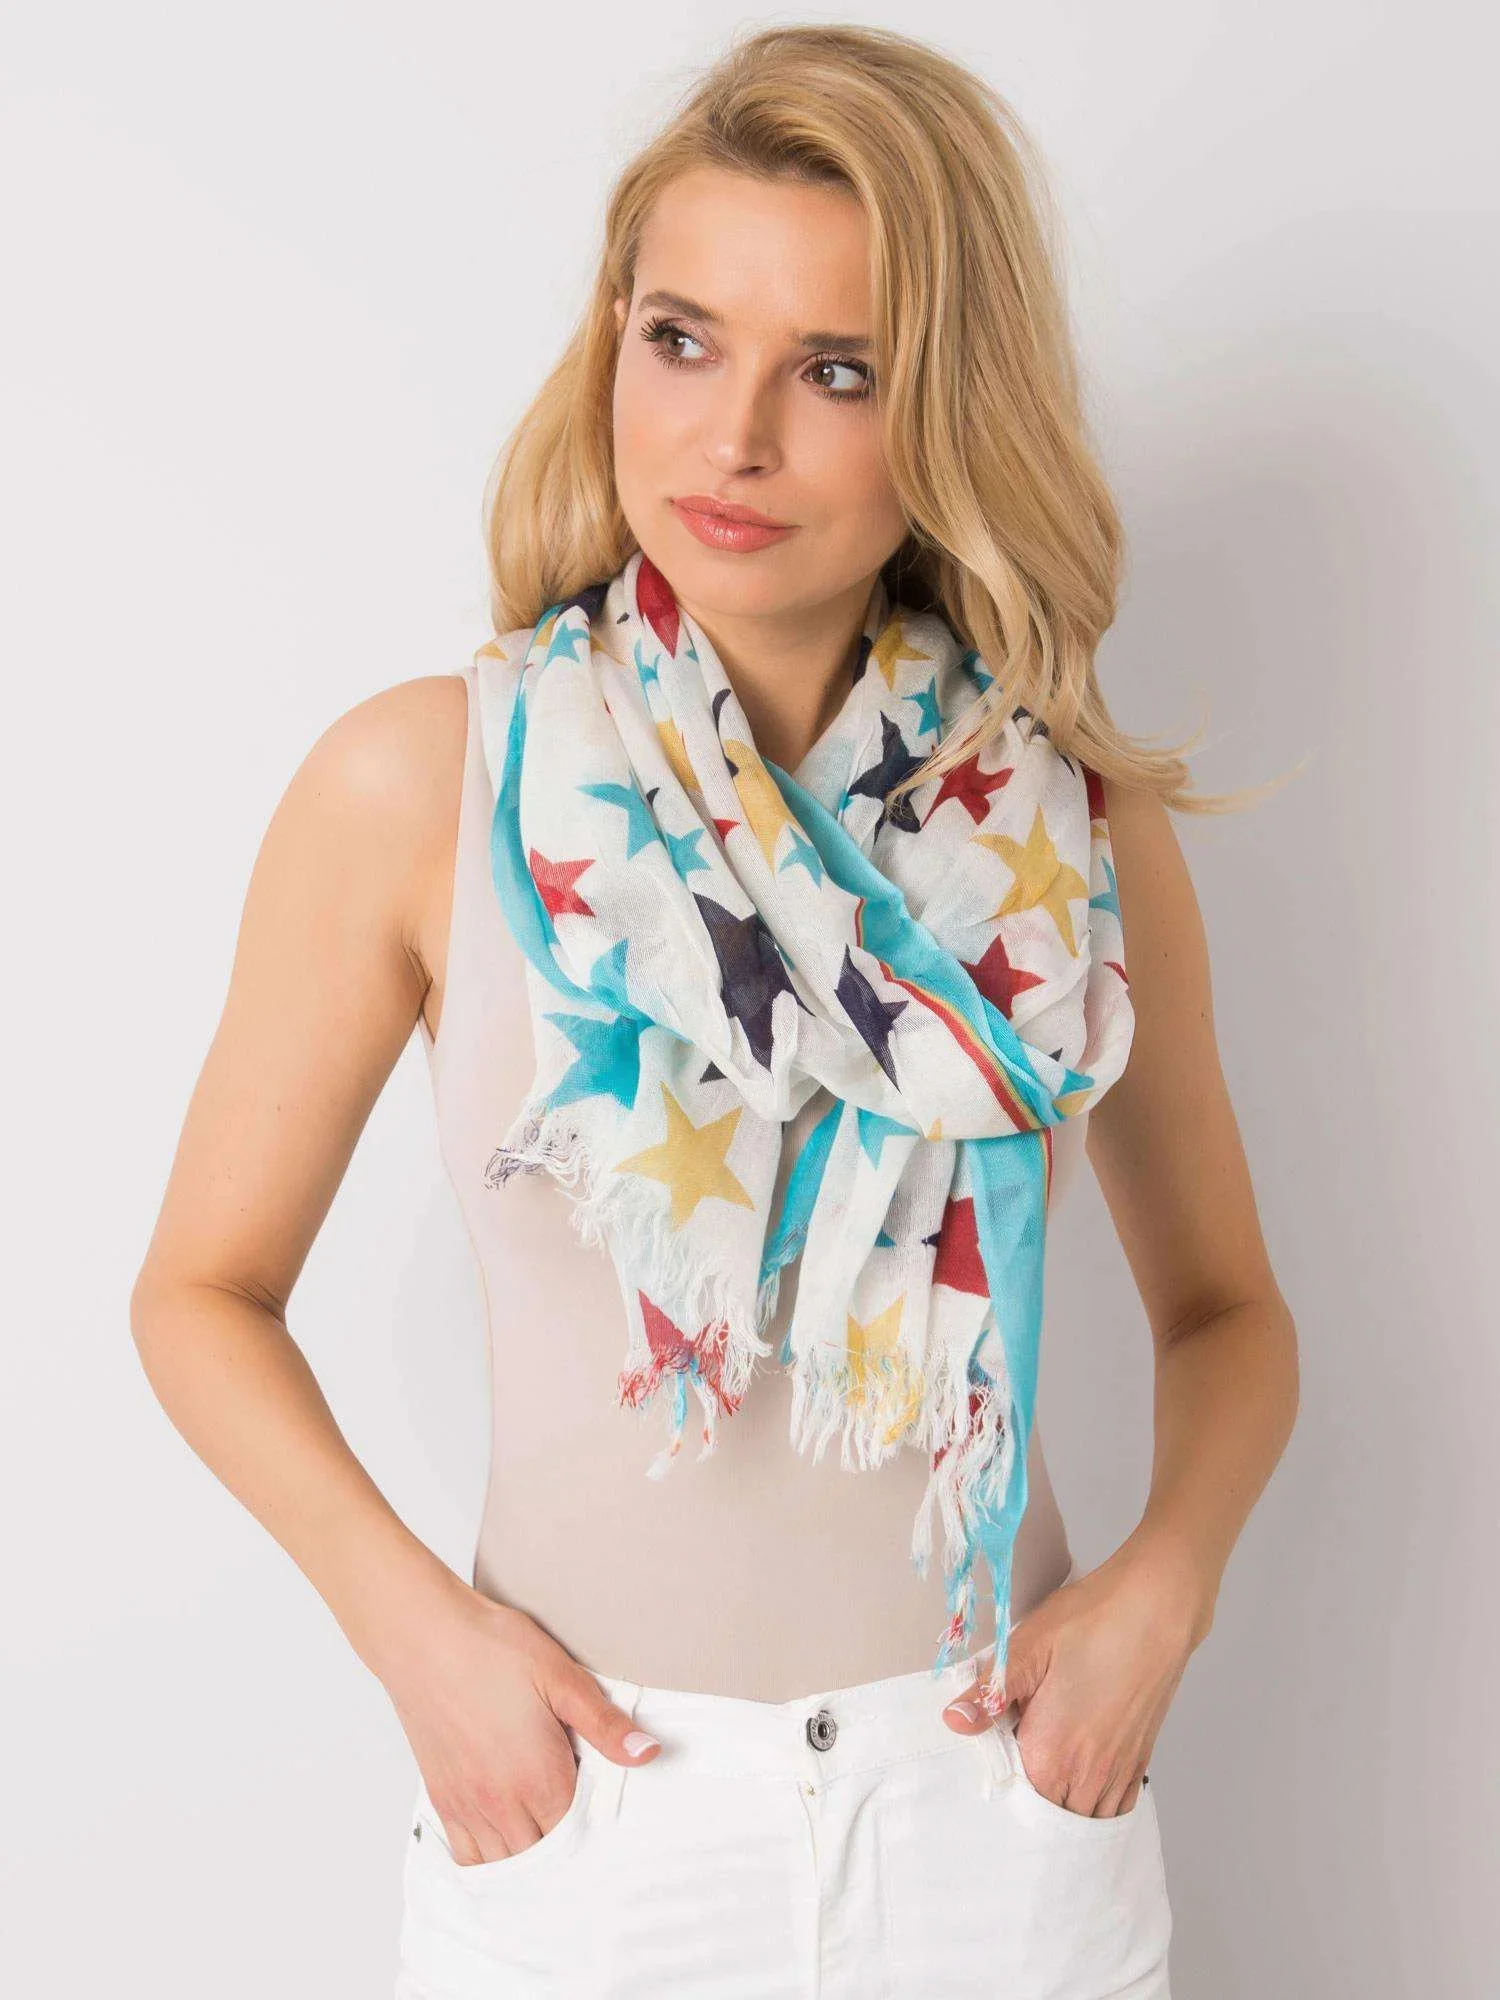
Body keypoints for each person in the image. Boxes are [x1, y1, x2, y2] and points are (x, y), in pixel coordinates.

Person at [130, 23, 1300, 1998]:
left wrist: (1160, 1594)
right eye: (683, 339)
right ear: (613, 342)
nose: (732, 438)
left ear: (947, 408)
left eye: (837, 372)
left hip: (990, 1817)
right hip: (589, 1821)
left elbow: (1229, 1315)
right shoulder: (428, 784)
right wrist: (419, 1645)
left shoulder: (1070, 837)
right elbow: (198, 1295)